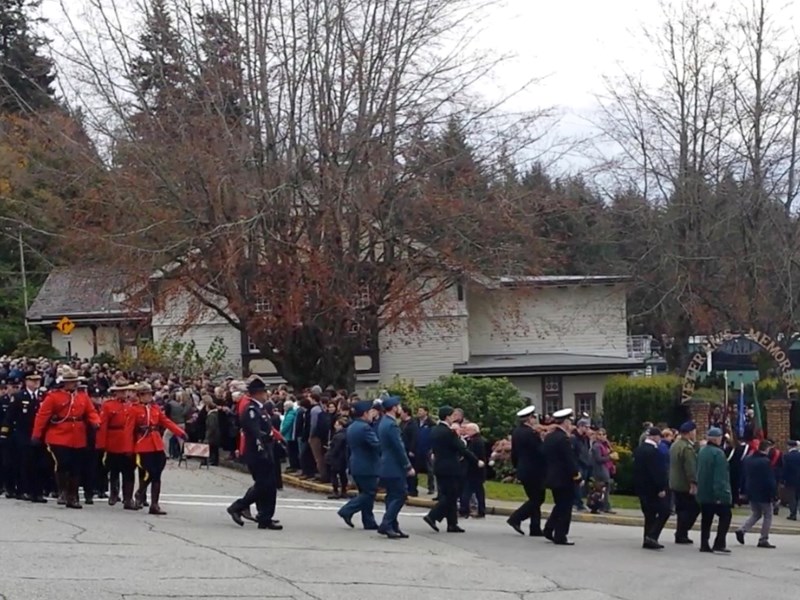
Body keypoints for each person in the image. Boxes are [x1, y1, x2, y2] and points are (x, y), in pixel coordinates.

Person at [32, 367, 101, 509]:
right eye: (70, 382)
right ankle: (62, 491)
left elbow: (90, 411)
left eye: (75, 382)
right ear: (64, 383)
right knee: (63, 463)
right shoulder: (54, 397)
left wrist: (95, 421)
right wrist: (36, 435)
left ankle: (73, 496)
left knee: (76, 467)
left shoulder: (82, 396)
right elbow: (42, 416)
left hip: (77, 435)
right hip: (59, 435)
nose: (73, 384)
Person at [226, 378, 282, 529]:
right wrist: (262, 449)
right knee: (264, 484)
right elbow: (255, 433)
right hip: (258, 452)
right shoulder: (251, 409)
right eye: (264, 392)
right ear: (258, 393)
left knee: (269, 485)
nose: (266, 395)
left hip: (267, 449)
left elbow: (267, 429)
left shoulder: (260, 408)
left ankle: (265, 517)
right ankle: (238, 506)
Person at [423, 406, 483, 534]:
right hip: (450, 467)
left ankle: (452, 523)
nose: (454, 418)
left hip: (438, 466)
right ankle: (433, 516)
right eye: (452, 416)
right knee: (452, 495)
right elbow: (462, 448)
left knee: (447, 494)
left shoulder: (434, 430)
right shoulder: (449, 432)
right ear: (447, 417)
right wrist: (476, 460)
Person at [132, 383, 186, 515]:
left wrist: (180, 432)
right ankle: (140, 492)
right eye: (146, 394)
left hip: (156, 443)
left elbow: (166, 421)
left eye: (150, 394)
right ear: (139, 396)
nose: (149, 396)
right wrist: (129, 447)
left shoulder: (155, 408)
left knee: (158, 473)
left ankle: (154, 504)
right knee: (151, 472)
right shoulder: (134, 410)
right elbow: (129, 429)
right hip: (143, 444)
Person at [2, 373, 46, 502]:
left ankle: (38, 491)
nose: (36, 382)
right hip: (22, 434)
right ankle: (24, 490)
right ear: (27, 382)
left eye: (38, 380)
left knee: (39, 464)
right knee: (24, 463)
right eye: (33, 380)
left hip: (39, 434)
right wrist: (5, 434)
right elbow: (10, 417)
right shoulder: (19, 397)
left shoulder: (43, 396)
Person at [337, 400, 380, 530]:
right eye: (370, 412)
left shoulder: (352, 426)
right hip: (367, 465)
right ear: (365, 414)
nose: (372, 414)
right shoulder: (365, 428)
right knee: (369, 494)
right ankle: (346, 510)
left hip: (356, 463)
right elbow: (376, 445)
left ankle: (368, 521)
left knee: (365, 492)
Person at [542, 408, 581, 546]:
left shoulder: (550, 437)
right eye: (569, 421)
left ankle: (549, 528)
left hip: (552, 476)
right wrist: (576, 475)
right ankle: (560, 535)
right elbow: (569, 459)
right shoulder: (563, 439)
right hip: (564, 478)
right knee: (565, 507)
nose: (570, 424)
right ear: (565, 422)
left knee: (559, 505)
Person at [377, 396, 414, 539]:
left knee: (392, 496)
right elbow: (399, 447)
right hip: (394, 465)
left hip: (386, 464)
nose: (400, 409)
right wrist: (407, 465)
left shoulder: (383, 422)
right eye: (398, 406)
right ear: (393, 408)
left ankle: (393, 525)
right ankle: (386, 523)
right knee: (400, 495)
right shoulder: (392, 425)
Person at [507, 405, 546, 536]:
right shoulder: (531, 433)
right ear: (529, 419)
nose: (535, 420)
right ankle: (516, 518)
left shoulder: (517, 432)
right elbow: (540, 451)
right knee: (537, 499)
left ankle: (535, 527)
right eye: (534, 417)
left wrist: (516, 467)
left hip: (524, 469)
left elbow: (514, 453)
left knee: (535, 498)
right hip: (534, 471)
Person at [97, 380, 137, 510]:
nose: (124, 393)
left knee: (129, 470)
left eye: (126, 391)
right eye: (121, 391)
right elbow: (103, 425)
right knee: (114, 469)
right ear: (116, 392)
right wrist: (101, 444)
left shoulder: (132, 405)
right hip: (113, 440)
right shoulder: (108, 405)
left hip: (128, 441)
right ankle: (114, 494)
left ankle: (128, 498)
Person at [735, 439, 777, 549]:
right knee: (768, 515)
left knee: (756, 513)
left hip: (751, 491)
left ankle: (742, 529)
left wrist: (743, 490)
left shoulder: (748, 459)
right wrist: (774, 494)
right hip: (763, 492)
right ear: (767, 449)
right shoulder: (765, 461)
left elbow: (743, 476)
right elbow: (769, 480)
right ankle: (763, 539)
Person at [696, 427, 732, 553]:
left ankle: (704, 543)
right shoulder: (719, 453)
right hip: (715, 493)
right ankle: (719, 542)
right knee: (726, 515)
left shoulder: (702, 451)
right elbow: (720, 476)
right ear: (717, 438)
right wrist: (721, 494)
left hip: (703, 491)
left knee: (706, 518)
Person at [633, 427, 670, 550]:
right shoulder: (654, 452)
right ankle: (652, 536)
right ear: (655, 437)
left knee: (649, 514)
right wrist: (661, 487)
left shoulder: (639, 450)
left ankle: (647, 538)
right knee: (665, 510)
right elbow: (657, 472)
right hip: (653, 488)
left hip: (641, 487)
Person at [669, 421, 700, 545]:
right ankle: (682, 532)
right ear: (690, 432)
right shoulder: (686, 448)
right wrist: (693, 482)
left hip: (675, 482)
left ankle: (681, 533)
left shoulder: (676, 444)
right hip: (684, 483)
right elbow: (690, 467)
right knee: (693, 509)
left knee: (681, 509)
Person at [460, 423, 487, 519]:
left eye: (468, 430)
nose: (466, 432)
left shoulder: (477, 441)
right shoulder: (475, 440)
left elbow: (473, 455)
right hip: (477, 470)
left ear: (474, 430)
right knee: (479, 492)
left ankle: (464, 510)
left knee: (467, 491)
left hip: (474, 471)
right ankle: (481, 510)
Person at [325, 417, 349, 500]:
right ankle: (343, 491)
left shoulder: (338, 436)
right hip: (343, 458)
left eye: (337, 424)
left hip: (336, 458)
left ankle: (335, 491)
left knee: (334, 474)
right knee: (343, 475)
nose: (335, 426)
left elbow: (335, 448)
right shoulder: (346, 434)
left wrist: (329, 455)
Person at [399, 405, 419, 496]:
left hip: (410, 450)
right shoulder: (401, 423)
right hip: (403, 449)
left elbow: (415, 437)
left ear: (406, 413)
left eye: (402, 412)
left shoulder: (413, 424)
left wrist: (412, 449)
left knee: (412, 470)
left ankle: (413, 489)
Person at [784, 440, 800, 520]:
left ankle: (793, 514)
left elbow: (784, 469)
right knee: (798, 497)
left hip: (790, 480)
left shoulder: (786, 456)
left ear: (789, 446)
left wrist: (783, 480)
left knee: (792, 498)